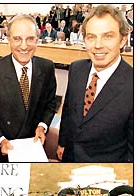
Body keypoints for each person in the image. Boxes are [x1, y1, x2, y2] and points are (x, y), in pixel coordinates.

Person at [57, 4, 133, 162]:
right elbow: (68, 110)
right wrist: (62, 143)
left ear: (123, 40)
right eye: (91, 37)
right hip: (69, 161)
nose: (98, 45)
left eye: (108, 36)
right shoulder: (77, 68)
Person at [0, 14, 57, 161]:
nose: (23, 46)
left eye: (30, 39)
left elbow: (50, 104)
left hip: (34, 149)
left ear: (37, 39)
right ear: (8, 39)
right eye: (17, 39)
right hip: (1, 151)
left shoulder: (47, 67)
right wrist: (0, 139)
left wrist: (42, 126)